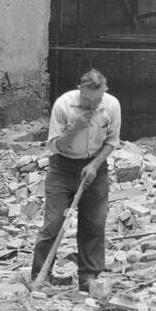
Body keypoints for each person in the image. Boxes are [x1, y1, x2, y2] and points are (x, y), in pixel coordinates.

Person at [30, 69, 121, 292]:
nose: (92, 103)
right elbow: (54, 146)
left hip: (95, 168)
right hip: (62, 168)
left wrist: (94, 164)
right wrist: (76, 128)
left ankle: (89, 276)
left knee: (94, 224)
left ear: (104, 91)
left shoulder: (111, 105)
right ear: (80, 90)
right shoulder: (63, 105)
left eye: (97, 98)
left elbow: (112, 141)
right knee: (53, 224)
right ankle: (39, 275)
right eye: (88, 99)